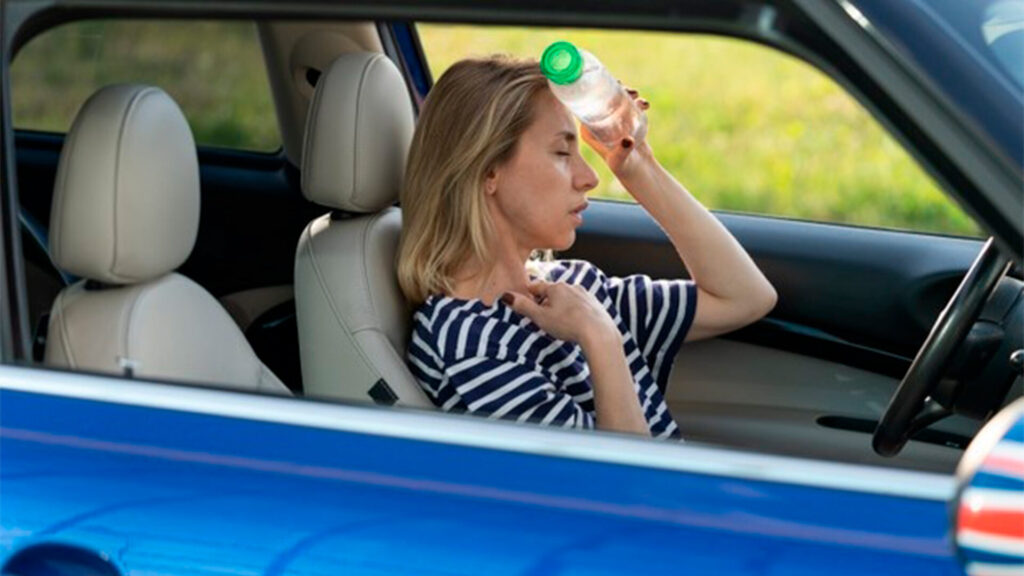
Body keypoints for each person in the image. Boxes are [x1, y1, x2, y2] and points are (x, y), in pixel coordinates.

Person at [397, 55, 776, 439]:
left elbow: (745, 297)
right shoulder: (472, 345)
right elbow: (620, 490)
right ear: (488, 171)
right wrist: (600, 338)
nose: (590, 176)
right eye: (562, 153)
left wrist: (639, 166)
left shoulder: (573, 288)